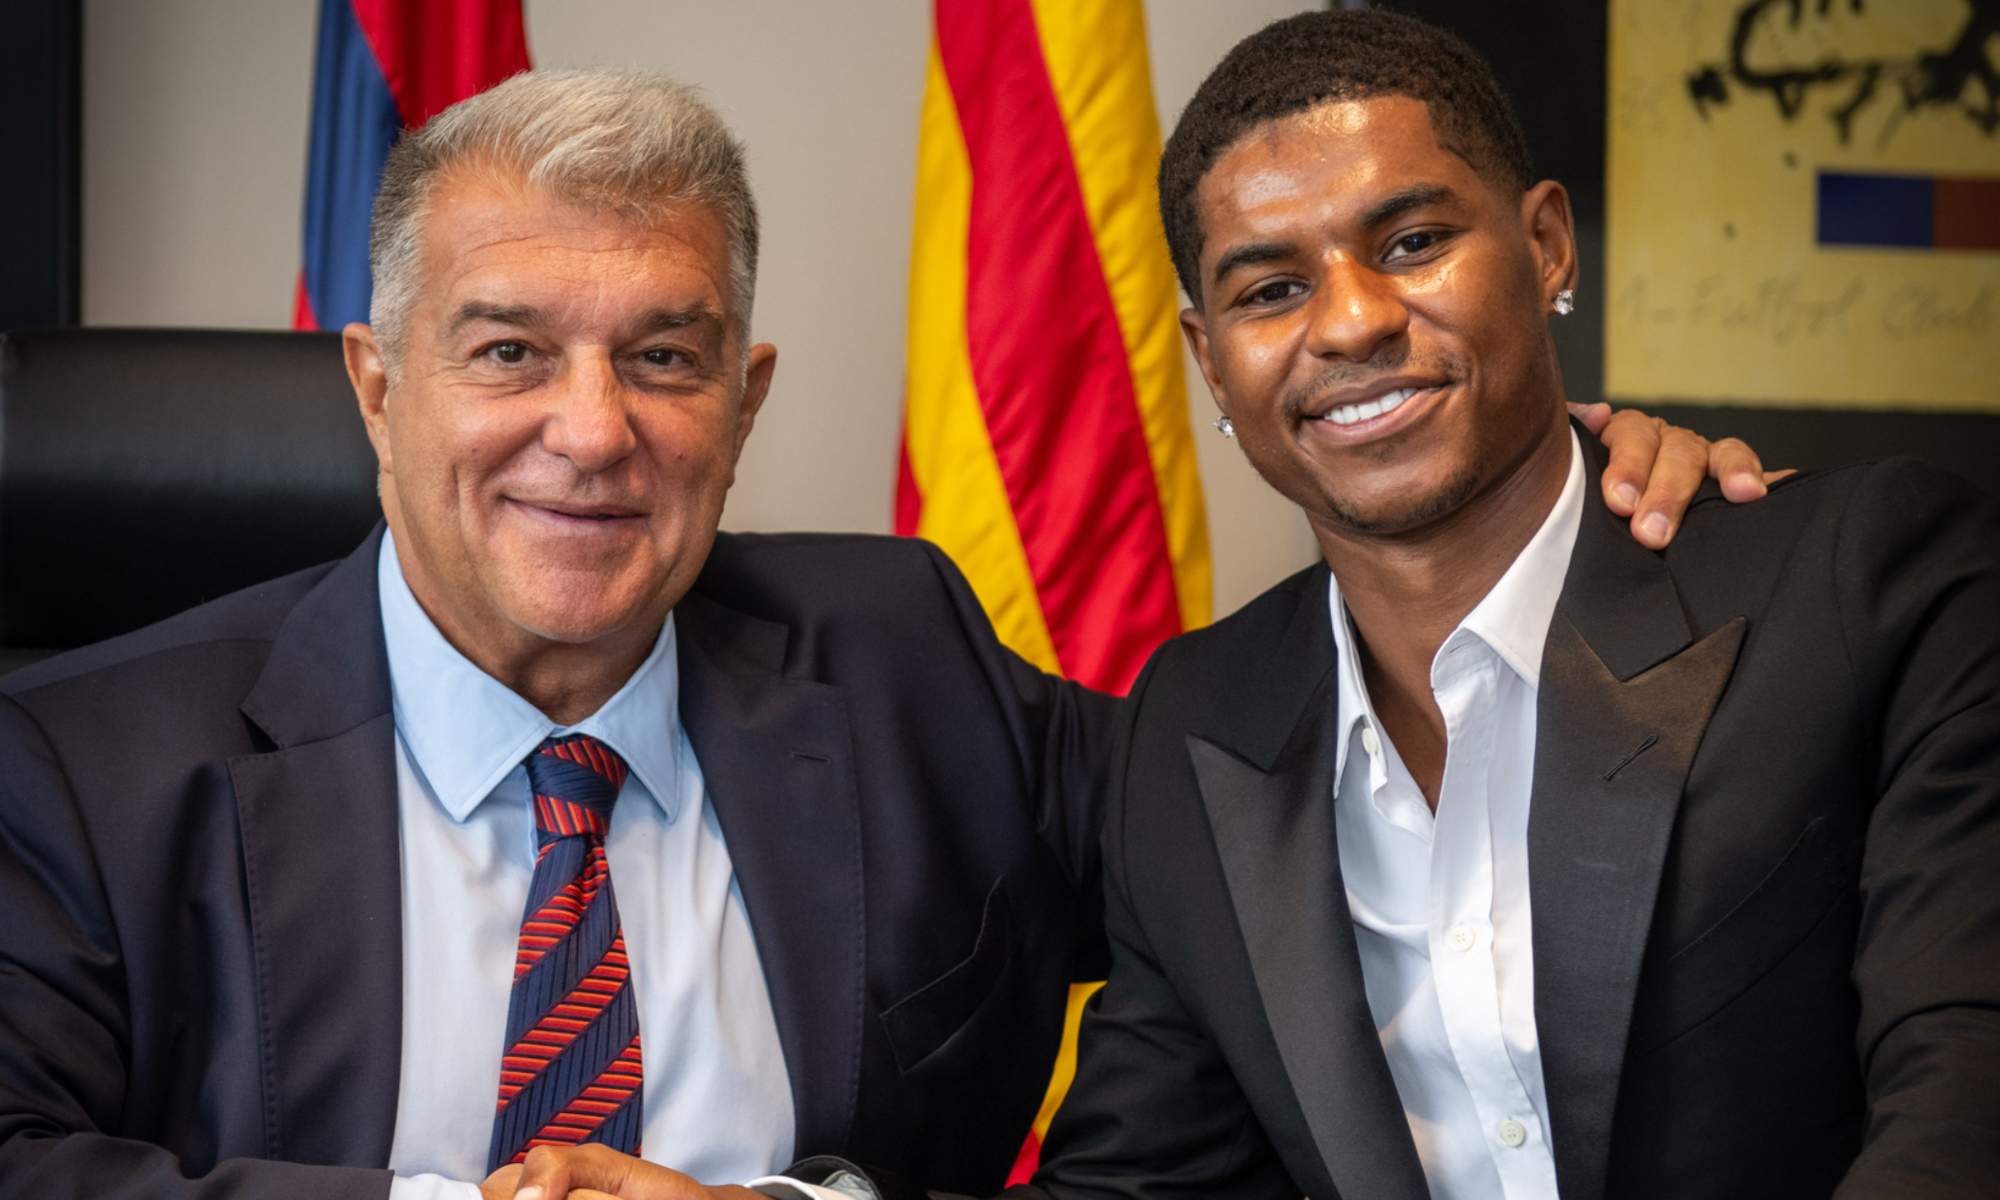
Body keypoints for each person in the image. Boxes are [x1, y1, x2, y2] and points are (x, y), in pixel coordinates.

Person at [0, 67, 1770, 1200]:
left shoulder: (895, 653)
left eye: (668, 357)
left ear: (748, 402)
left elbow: (1292, 800)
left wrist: (1540, 495)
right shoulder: (87, 767)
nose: (596, 430)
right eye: (509, 350)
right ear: (378, 392)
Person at [928, 11, 1991, 1200]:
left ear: (1544, 246)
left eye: (1412, 240)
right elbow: (1143, 1183)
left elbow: (1963, 1090)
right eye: (1271, 288)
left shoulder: (1862, 579)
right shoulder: (1192, 723)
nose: (1348, 322)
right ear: (1210, 358)